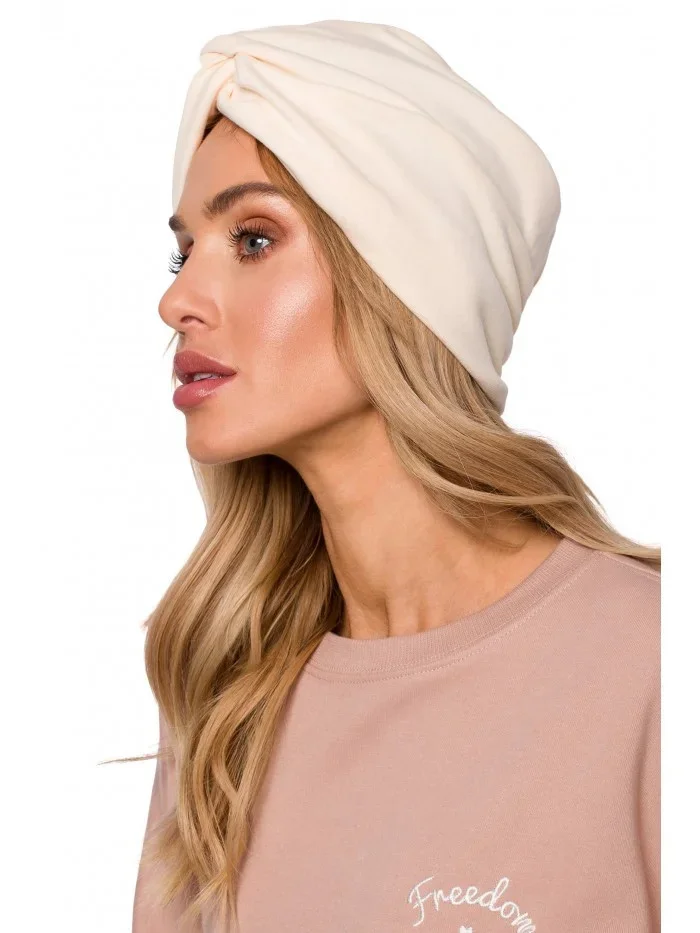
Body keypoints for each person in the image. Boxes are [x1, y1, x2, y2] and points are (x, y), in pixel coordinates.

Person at [131, 20, 661, 933]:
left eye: (252, 239)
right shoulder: (224, 693)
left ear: (405, 282)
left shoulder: (653, 667)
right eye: (186, 251)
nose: (175, 299)